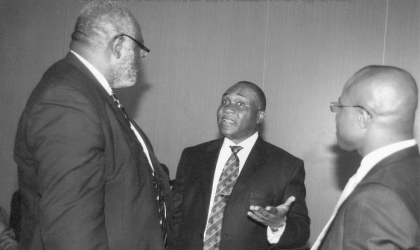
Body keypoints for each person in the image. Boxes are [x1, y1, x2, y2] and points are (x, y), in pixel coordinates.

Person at [13, 1, 171, 249]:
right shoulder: (67, 100)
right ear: (118, 45)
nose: (142, 56)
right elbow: (71, 234)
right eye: (140, 48)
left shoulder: (89, 93)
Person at [170, 81, 310, 250]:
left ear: (259, 116)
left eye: (240, 103)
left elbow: (301, 232)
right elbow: (175, 215)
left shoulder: (286, 166)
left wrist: (278, 224)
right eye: (225, 101)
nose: (227, 108)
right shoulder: (193, 156)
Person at [312, 65, 420, 249]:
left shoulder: (375, 200)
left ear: (362, 118)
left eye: (340, 107)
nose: (337, 116)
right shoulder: (410, 171)